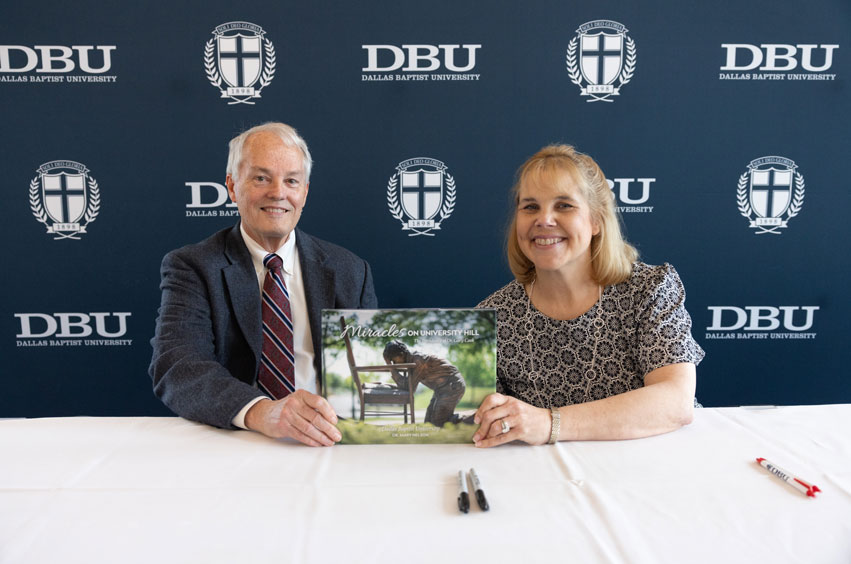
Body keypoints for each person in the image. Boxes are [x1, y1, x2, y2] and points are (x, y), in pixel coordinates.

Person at [149, 122, 377, 447]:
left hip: (327, 444)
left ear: (305, 193)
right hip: (238, 442)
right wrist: (264, 412)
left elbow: (370, 369)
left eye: (291, 181)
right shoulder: (194, 266)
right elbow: (178, 366)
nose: (278, 193)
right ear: (232, 186)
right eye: (261, 178)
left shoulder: (350, 270)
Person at [472, 145, 705, 448]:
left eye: (564, 205)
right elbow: (481, 425)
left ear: (596, 220)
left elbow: (676, 402)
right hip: (543, 482)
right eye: (530, 207)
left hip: (654, 473)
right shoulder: (494, 315)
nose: (544, 219)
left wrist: (548, 423)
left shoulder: (650, 289)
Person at [382, 341, 466, 427]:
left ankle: (469, 420)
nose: (394, 364)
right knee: (428, 423)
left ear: (401, 354)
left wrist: (390, 367)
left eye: (393, 360)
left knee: (438, 422)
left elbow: (409, 388)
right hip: (441, 389)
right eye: (391, 362)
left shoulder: (418, 361)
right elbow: (407, 384)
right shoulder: (411, 361)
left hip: (452, 387)